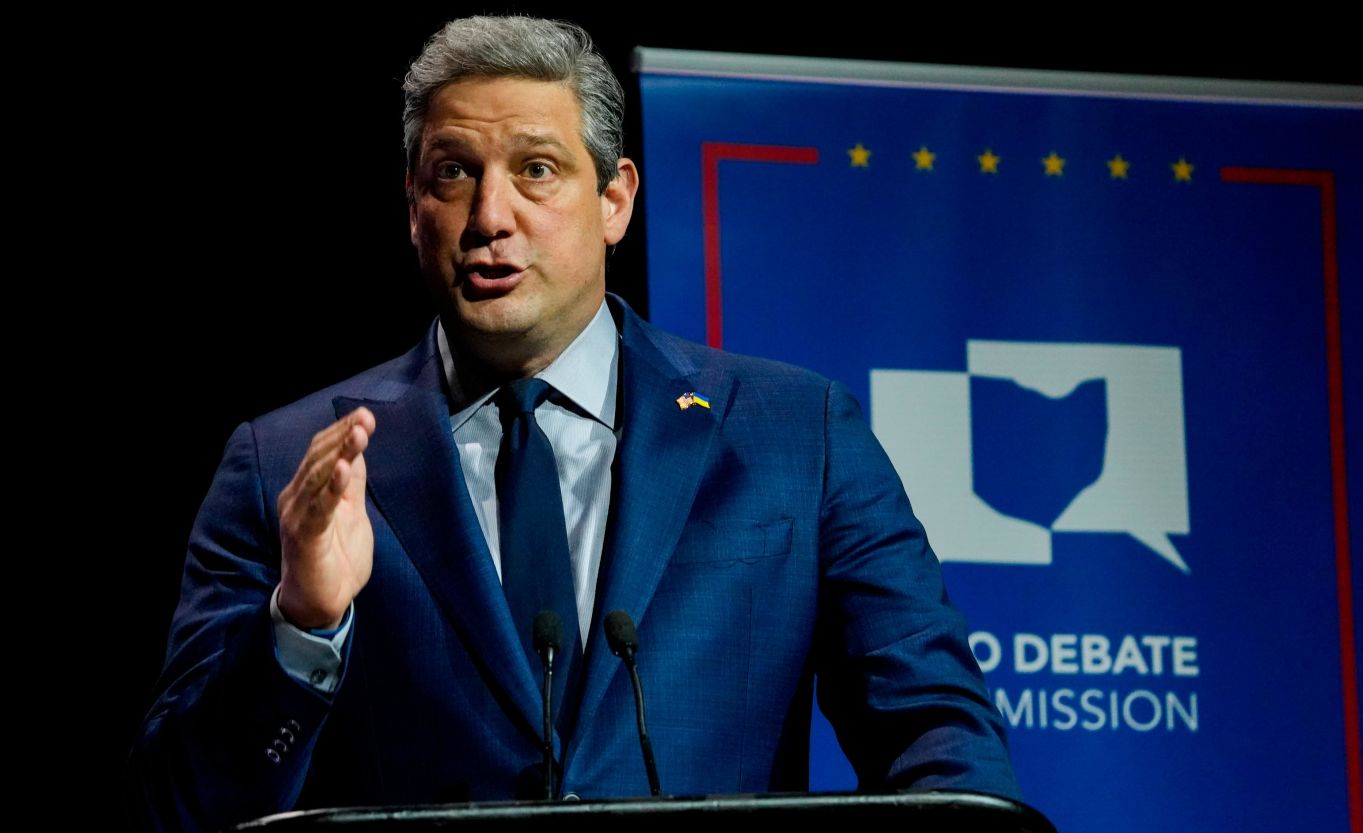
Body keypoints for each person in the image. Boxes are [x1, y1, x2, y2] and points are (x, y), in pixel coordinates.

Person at [130, 15, 1019, 832]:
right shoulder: (284, 465)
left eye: (537, 170)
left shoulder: (796, 435)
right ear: (412, 207)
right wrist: (304, 621)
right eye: (454, 173)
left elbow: (939, 739)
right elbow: (185, 806)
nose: (489, 217)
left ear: (615, 200)